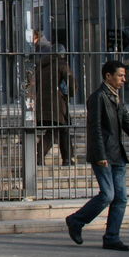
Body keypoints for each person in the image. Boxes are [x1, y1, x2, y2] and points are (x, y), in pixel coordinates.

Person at [65, 61, 129, 251]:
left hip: (117, 155)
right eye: (120, 75)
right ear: (108, 76)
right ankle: (76, 220)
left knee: (121, 198)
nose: (124, 80)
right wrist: (99, 154)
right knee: (108, 194)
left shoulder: (115, 98)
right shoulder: (98, 98)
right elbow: (95, 129)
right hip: (103, 155)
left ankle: (112, 237)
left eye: (124, 76)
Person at [32, 31, 77, 166]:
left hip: (42, 104)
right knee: (55, 132)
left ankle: (68, 158)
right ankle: (40, 157)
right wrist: (69, 94)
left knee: (61, 129)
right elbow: (71, 84)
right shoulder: (62, 65)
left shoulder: (42, 66)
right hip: (57, 104)